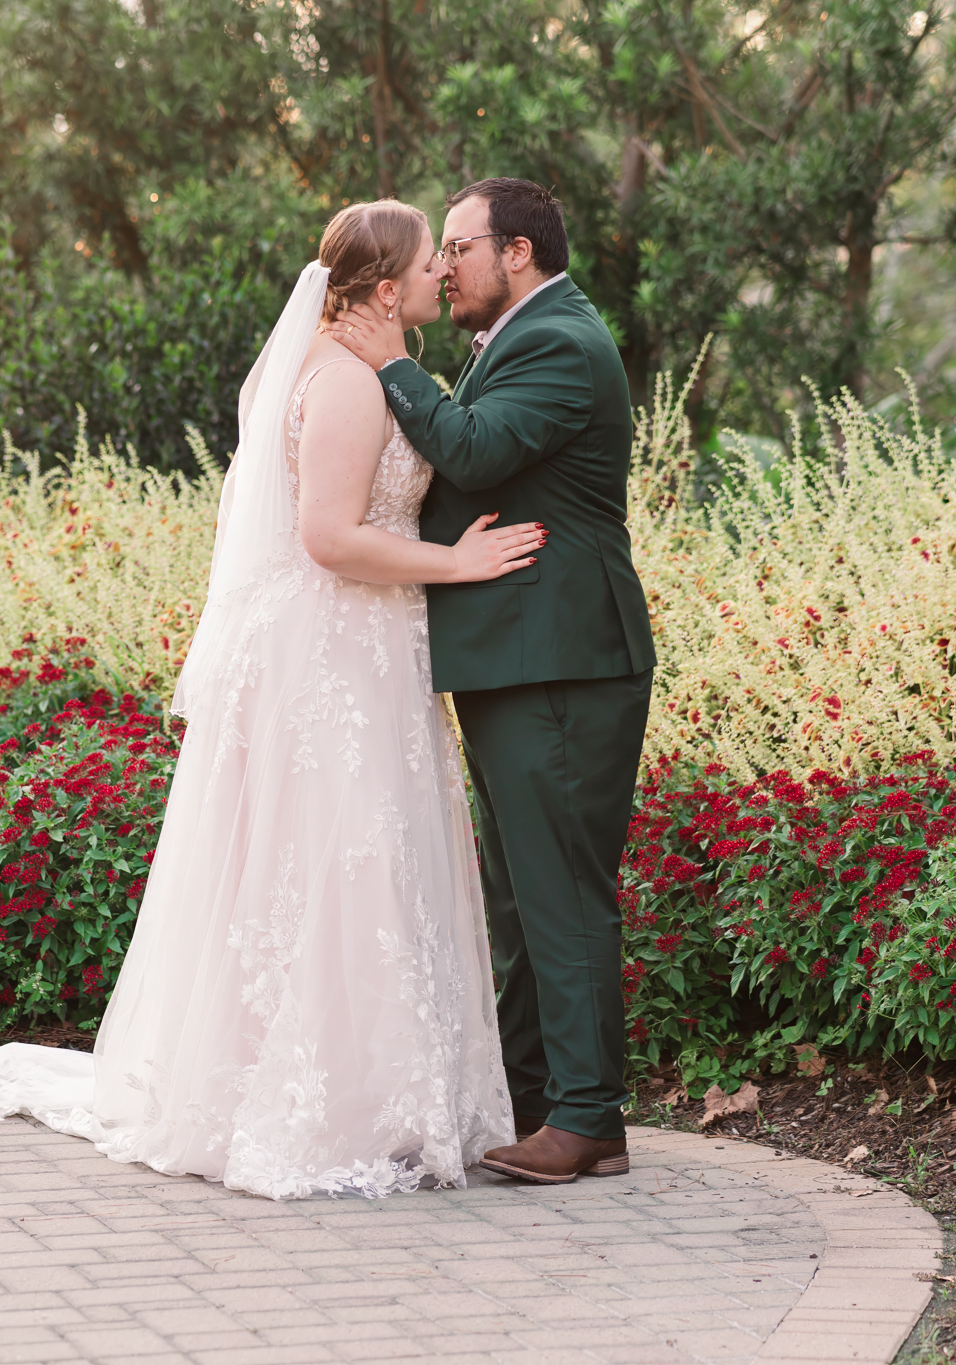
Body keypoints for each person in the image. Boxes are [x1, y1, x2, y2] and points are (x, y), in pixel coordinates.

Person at [0, 200, 541, 1199]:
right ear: (385, 288)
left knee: (359, 866)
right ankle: (324, 1102)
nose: (440, 275)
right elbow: (328, 537)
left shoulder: (367, 371)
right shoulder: (341, 383)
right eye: (430, 262)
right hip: (335, 648)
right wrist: (457, 565)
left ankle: (377, 1091)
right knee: (340, 862)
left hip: (368, 646)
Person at [331, 178, 654, 1185]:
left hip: (558, 655)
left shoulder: (560, 340)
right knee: (521, 894)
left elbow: (472, 450)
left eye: (458, 247)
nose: (442, 267)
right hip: (519, 653)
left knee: (557, 889)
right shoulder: (519, 337)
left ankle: (586, 1116)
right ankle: (529, 1100)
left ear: (514, 252)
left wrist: (388, 363)